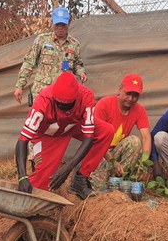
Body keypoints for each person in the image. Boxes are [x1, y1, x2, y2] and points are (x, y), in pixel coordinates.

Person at [15, 72, 113, 200]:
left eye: (67, 105)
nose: (62, 109)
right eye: (59, 105)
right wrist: (22, 176)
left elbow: (89, 138)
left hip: (73, 125)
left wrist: (68, 168)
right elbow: (23, 140)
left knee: (106, 131)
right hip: (48, 135)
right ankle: (24, 202)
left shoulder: (86, 96)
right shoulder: (43, 100)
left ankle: (81, 177)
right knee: (44, 180)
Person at [13, 7, 87, 105]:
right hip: (42, 93)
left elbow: (77, 64)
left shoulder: (74, 44)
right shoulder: (42, 40)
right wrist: (19, 86)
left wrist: (81, 72)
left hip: (63, 95)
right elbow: (29, 62)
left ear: (69, 23)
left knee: (61, 120)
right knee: (39, 119)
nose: (60, 27)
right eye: (57, 24)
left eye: (63, 24)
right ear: (52, 23)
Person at [90, 73, 151, 190]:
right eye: (128, 93)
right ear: (120, 89)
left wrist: (144, 165)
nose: (131, 99)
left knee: (135, 141)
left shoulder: (139, 110)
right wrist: (113, 162)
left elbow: (146, 137)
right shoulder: (105, 104)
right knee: (99, 190)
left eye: (135, 95)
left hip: (116, 151)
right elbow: (94, 138)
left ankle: (119, 179)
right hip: (99, 152)